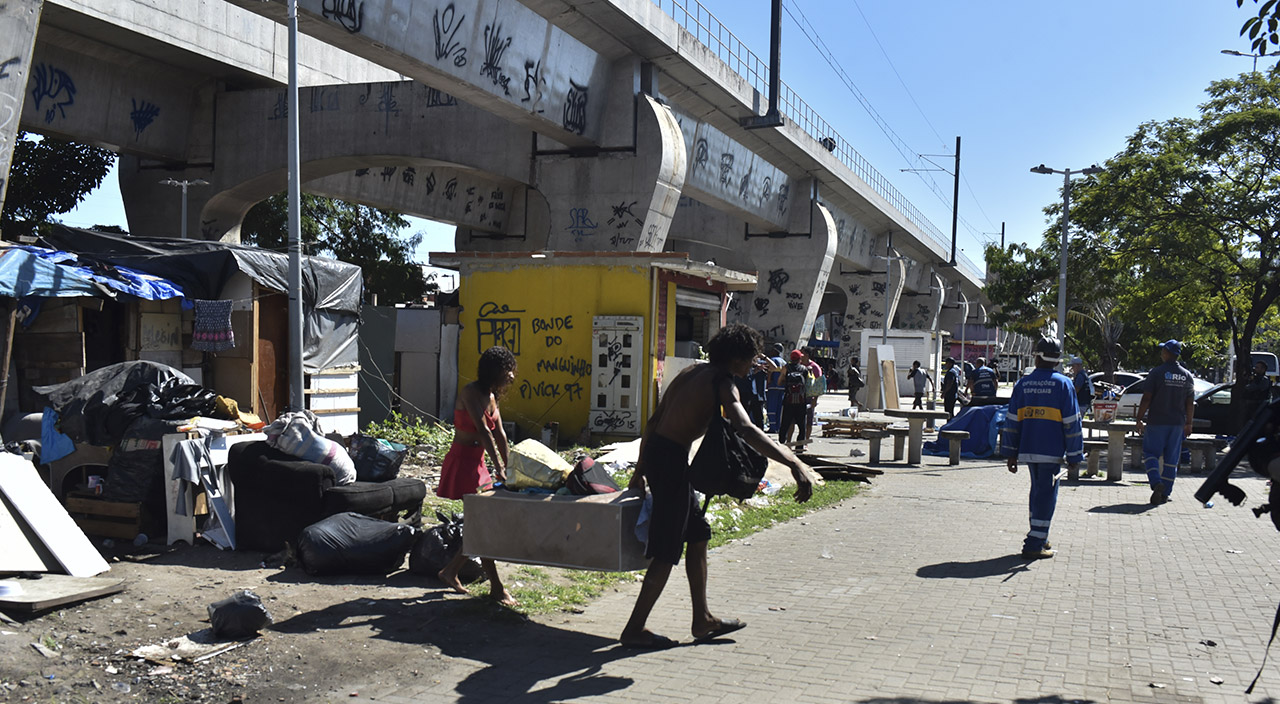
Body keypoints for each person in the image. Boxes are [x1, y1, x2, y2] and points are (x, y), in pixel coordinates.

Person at [621, 324, 816, 648]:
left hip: (661, 456)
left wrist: (640, 471)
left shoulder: (691, 372)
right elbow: (745, 427)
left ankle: (702, 619)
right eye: (752, 358)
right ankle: (633, 629)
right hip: (670, 463)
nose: (754, 364)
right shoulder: (722, 383)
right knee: (666, 550)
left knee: (698, 535)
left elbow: (654, 422)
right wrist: (793, 463)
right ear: (738, 359)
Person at [436, 346, 519, 605]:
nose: (512, 376)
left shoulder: (492, 396)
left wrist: (512, 467)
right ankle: (496, 587)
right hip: (462, 464)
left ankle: (450, 571)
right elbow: (483, 432)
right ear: (495, 371)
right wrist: (500, 468)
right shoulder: (470, 393)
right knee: (482, 523)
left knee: (480, 524)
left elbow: (500, 435)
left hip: (478, 464)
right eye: (508, 370)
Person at [1000, 338, 1084, 560]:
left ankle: (1039, 535)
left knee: (1037, 492)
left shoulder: (1023, 384)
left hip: (1028, 449)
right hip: (1052, 451)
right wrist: (1075, 454)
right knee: (1046, 495)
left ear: (1037, 357)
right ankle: (1034, 542)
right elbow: (1072, 423)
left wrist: (1010, 452)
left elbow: (1011, 421)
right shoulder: (1064, 384)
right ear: (1057, 360)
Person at [1135, 340, 1195, 505]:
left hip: (1157, 422)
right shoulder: (1187, 376)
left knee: (1150, 453)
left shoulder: (1156, 373)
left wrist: (1139, 418)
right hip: (1177, 424)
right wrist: (1189, 423)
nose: (1161, 353)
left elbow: (1147, 397)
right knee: (1171, 460)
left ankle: (1156, 482)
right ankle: (1165, 493)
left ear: (1168, 353)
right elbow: (1190, 402)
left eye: (1163, 351)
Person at [734, 351, 776, 430]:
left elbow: (774, 367)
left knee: (759, 419)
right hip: (746, 394)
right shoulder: (746, 365)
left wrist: (764, 357)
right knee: (744, 417)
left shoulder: (762, 363)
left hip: (758, 396)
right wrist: (754, 370)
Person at [778, 350, 813, 447]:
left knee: (785, 423)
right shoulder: (804, 369)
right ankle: (799, 447)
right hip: (801, 402)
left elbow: (779, 382)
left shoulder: (786, 368)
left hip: (788, 401)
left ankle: (781, 443)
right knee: (802, 426)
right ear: (799, 359)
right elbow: (808, 384)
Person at [800, 346, 826, 438]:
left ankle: (806, 440)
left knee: (808, 420)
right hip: (797, 397)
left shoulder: (815, 367)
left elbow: (818, 385)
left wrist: (815, 399)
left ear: (806, 355)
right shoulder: (797, 365)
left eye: (801, 353)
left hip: (809, 398)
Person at [764, 343, 788, 431]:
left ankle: (772, 427)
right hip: (782, 388)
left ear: (775, 351)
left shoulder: (772, 360)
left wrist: (768, 382)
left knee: (771, 408)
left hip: (773, 387)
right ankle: (778, 427)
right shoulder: (784, 362)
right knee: (779, 408)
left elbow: (770, 373)